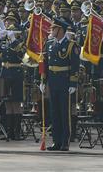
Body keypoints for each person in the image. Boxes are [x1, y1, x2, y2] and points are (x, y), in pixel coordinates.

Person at [41, 17, 79, 151]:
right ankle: (56, 141)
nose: (51, 30)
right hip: (53, 81)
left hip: (64, 81)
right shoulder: (50, 44)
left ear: (60, 30)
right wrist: (43, 81)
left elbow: (75, 66)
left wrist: (73, 83)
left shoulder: (70, 45)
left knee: (64, 113)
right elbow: (45, 64)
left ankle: (65, 141)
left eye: (54, 28)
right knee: (54, 112)